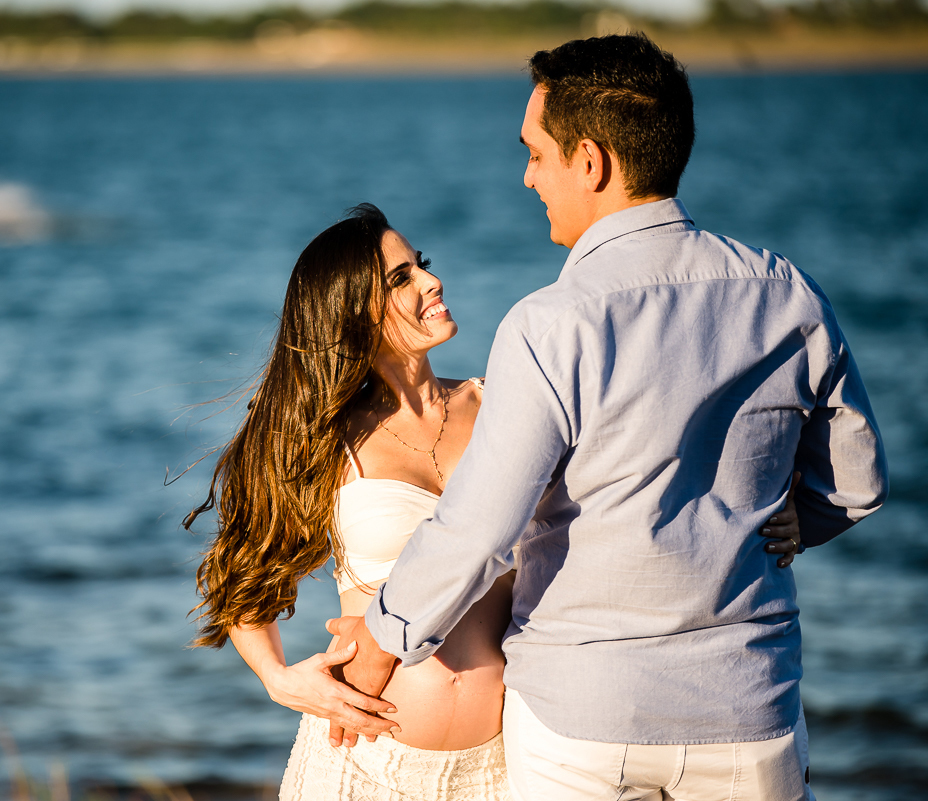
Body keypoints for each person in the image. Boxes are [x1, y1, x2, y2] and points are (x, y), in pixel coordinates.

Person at [329, 33, 889, 801]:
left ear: (590, 162)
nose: (528, 177)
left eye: (535, 154)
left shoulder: (550, 324)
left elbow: (478, 529)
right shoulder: (788, 294)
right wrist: (798, 516)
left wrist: (379, 642)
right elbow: (857, 483)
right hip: (747, 708)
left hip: (579, 723)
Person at [187, 202, 805, 800]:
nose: (433, 280)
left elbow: (638, 478)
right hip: (364, 759)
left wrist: (772, 501)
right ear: (352, 311)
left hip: (507, 765)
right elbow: (241, 578)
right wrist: (278, 679)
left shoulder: (501, 406)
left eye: (421, 263)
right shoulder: (323, 438)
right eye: (403, 277)